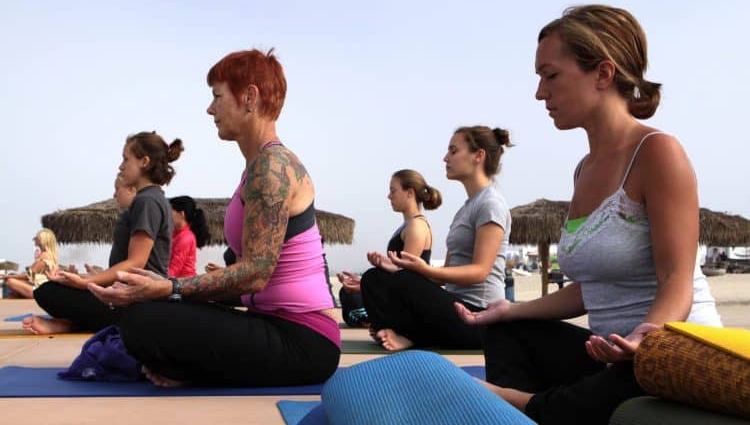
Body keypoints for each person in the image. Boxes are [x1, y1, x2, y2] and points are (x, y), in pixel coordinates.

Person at [456, 5, 722, 425]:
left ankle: (518, 404)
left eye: (550, 75)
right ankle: (522, 410)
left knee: (619, 381)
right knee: (506, 331)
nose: (540, 93)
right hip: (609, 356)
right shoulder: (585, 169)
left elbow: (677, 280)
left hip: (668, 354)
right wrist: (509, 311)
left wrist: (644, 335)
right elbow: (591, 289)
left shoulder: (657, 152)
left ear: (602, 73)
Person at [88, 48, 340, 388]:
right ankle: (189, 367)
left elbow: (256, 273)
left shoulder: (273, 168)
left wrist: (170, 288)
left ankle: (189, 369)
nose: (210, 109)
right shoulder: (257, 167)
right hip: (273, 324)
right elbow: (252, 284)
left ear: (249, 97)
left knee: (143, 320)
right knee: (144, 314)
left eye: (217, 96)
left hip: (305, 341)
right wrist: (166, 293)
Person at [362, 125, 512, 351]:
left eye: (453, 151)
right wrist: (398, 270)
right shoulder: (464, 210)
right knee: (373, 278)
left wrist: (421, 270)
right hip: (454, 306)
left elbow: (479, 272)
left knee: (396, 281)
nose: (445, 158)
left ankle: (411, 336)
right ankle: (407, 333)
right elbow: (446, 276)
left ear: (478, 156)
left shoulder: (491, 204)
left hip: (479, 316)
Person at [23, 132, 182, 334]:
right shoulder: (151, 198)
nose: (121, 166)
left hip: (138, 302)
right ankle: (72, 323)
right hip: (133, 296)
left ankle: (74, 324)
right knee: (54, 290)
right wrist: (96, 278)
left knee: (47, 292)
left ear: (144, 162)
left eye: (126, 159)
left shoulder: (147, 201)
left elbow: (136, 263)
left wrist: (85, 283)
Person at [337, 169, 441, 328]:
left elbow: (406, 277)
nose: (389, 196)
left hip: (408, 300)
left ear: (410, 193)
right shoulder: (409, 225)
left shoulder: (416, 226)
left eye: (393, 191)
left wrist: (367, 285)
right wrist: (363, 281)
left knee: (356, 293)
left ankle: (374, 320)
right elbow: (399, 270)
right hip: (398, 292)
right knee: (348, 292)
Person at [1, 229, 59, 299]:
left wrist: (6, 276)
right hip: (43, 289)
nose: (34, 240)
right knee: (13, 293)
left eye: (36, 238)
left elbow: (28, 276)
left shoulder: (44, 256)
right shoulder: (50, 256)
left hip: (39, 292)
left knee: (10, 281)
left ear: (42, 240)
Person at [168, 196, 210, 277]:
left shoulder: (186, 238)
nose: (167, 215)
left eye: (170, 212)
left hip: (185, 282)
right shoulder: (176, 233)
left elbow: (174, 270)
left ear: (181, 214)